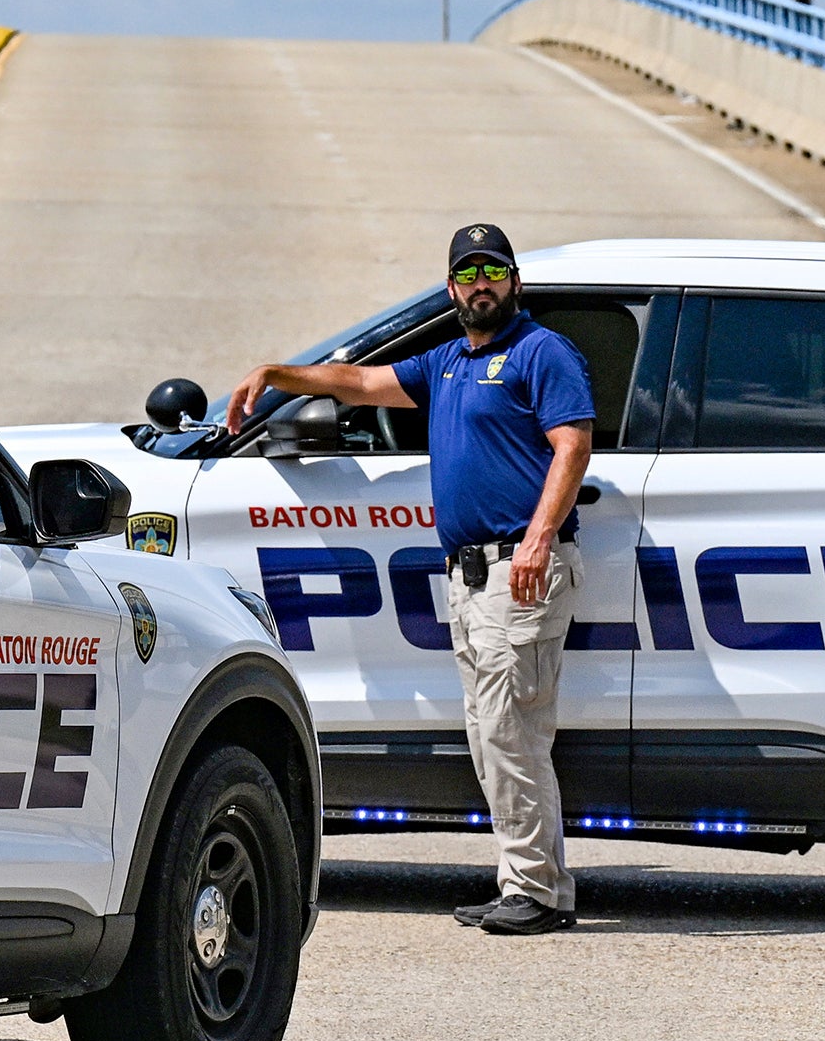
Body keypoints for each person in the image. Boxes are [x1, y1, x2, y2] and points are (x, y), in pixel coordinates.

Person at [225, 223, 594, 936]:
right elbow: (361, 381)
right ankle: (525, 882)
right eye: (467, 273)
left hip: (519, 570)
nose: (480, 283)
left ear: (514, 282)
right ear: (453, 287)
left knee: (509, 733)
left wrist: (538, 541)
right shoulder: (449, 362)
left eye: (493, 270)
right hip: (470, 577)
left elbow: (571, 445)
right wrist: (276, 375)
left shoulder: (541, 353)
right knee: (495, 736)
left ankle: (541, 893)